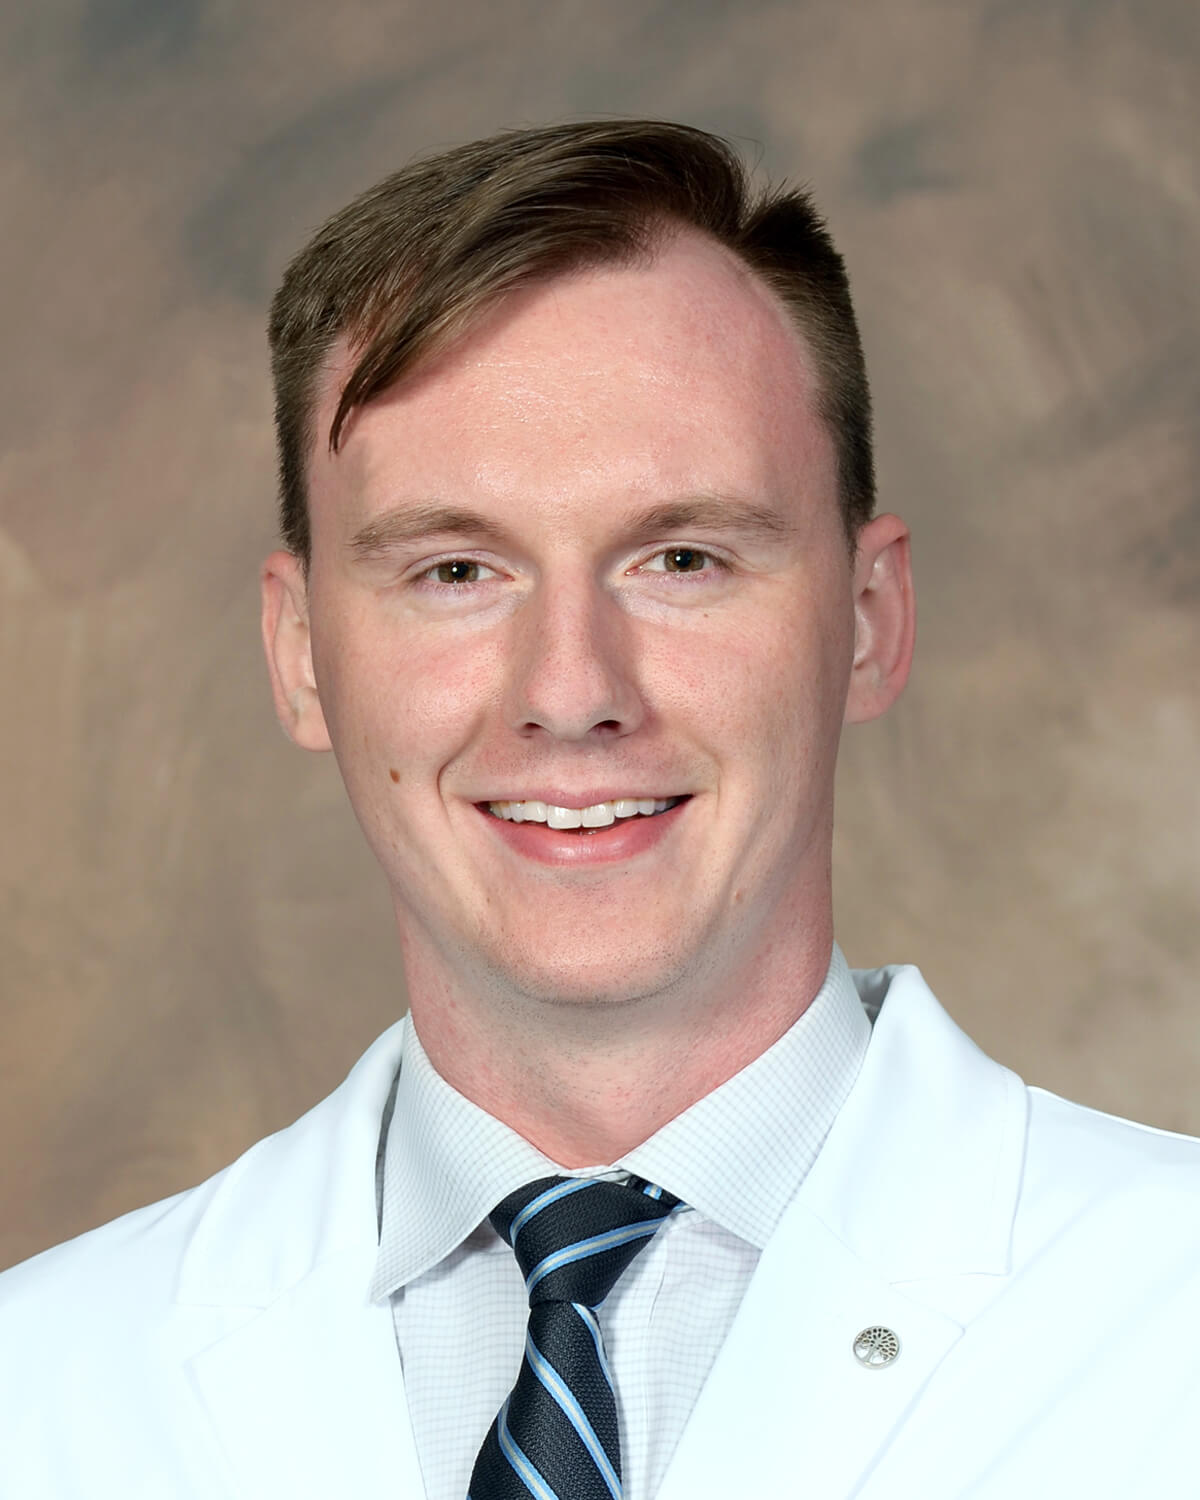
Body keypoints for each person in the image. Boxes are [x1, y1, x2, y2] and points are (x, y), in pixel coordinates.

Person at [1, 119, 1197, 1500]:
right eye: (455, 571)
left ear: (870, 621)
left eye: (681, 558)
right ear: (300, 652)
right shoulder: (44, 1389)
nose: (571, 693)